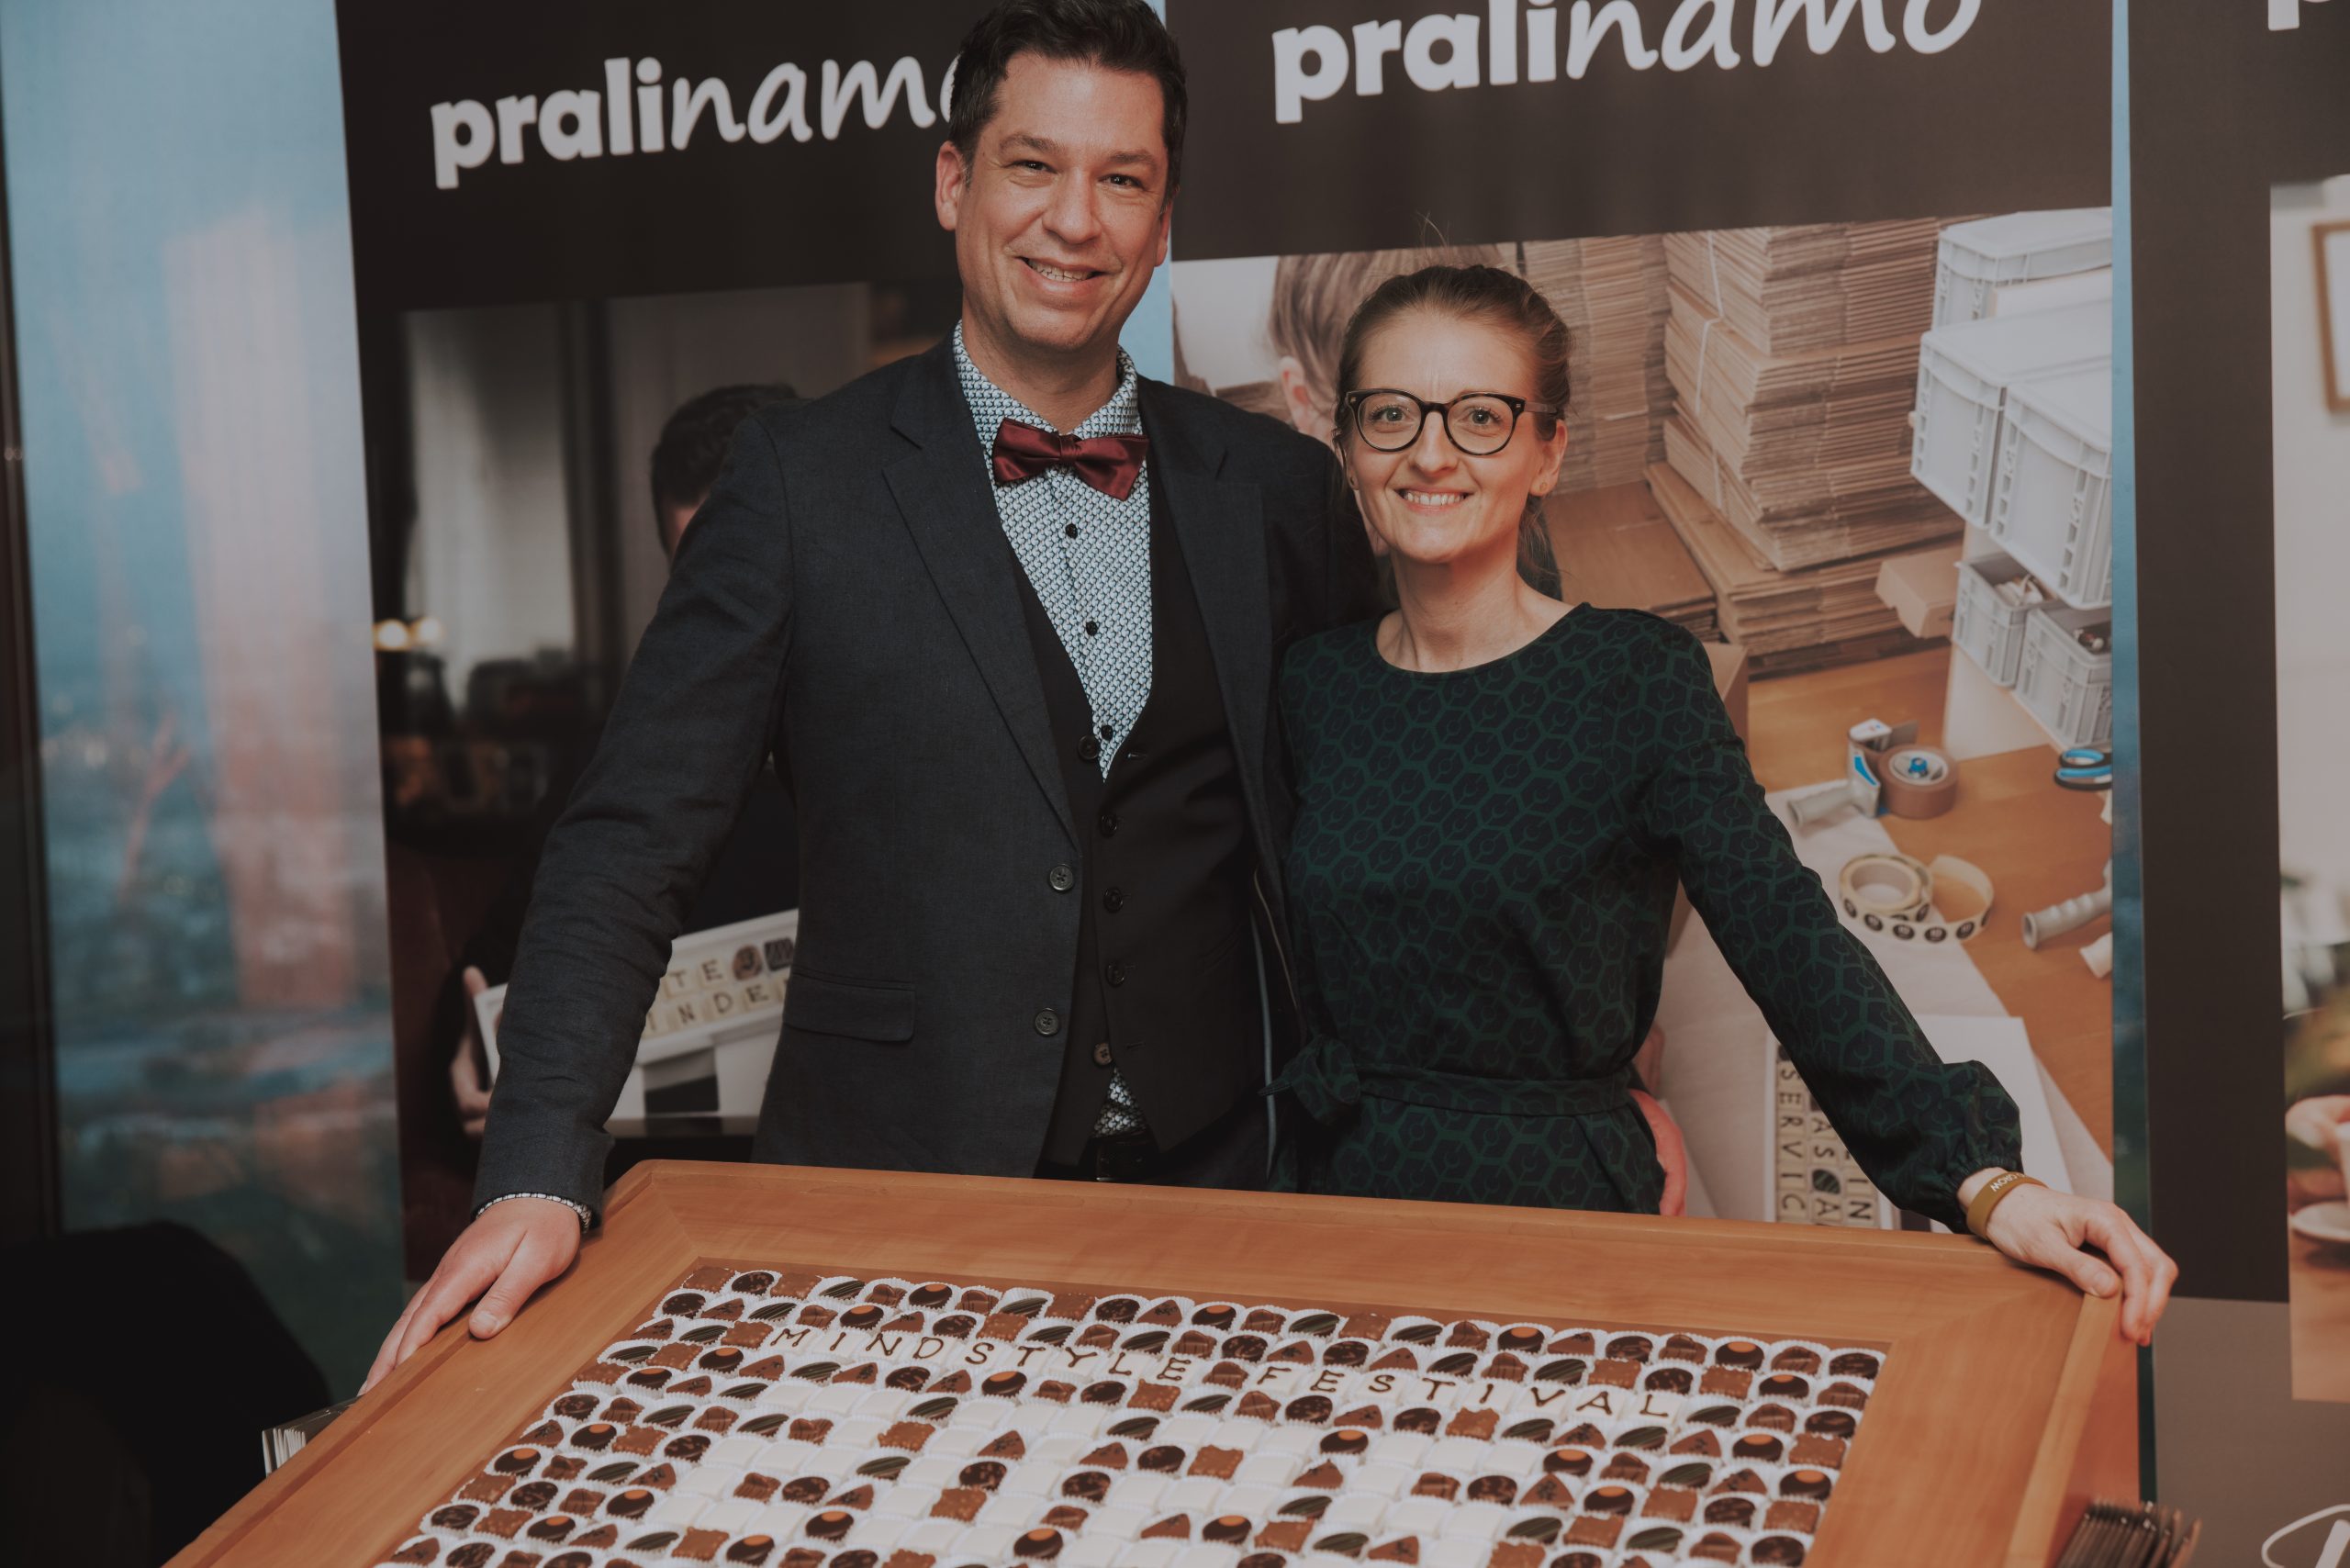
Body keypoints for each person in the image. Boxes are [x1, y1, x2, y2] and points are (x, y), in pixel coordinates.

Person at [365, 0, 1381, 1392]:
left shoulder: (1275, 491)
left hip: (1231, 1199)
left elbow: (1373, 836)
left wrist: (1577, 1081)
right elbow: (629, 842)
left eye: (1122, 179)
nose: (1074, 219)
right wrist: (538, 1169)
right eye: (1032, 165)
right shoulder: (797, 485)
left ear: (1163, 220)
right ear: (953, 182)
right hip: (894, 1210)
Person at [1269, 263, 2179, 1343]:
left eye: (1479, 417)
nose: (1430, 452)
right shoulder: (1312, 685)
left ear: (1546, 451)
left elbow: (1786, 934)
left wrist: (1981, 1179)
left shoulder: (1632, 678)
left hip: (1554, 1209)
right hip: (1340, 1205)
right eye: (1391, 414)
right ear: (1348, 443)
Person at [448, 384, 806, 1137]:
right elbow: (498, 972)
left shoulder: (918, 745)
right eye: (709, 579)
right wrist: (467, 1051)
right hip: (662, 1173)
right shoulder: (616, 763)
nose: (744, 612)